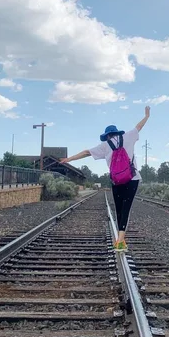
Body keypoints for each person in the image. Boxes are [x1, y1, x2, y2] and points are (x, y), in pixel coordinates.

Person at [60, 106, 150, 252]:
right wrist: (147, 116)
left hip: (117, 181)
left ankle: (120, 241)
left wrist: (69, 159)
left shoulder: (104, 146)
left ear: (107, 136)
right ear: (116, 133)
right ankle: (120, 241)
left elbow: (86, 152)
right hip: (132, 178)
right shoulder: (128, 136)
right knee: (126, 208)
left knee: (119, 209)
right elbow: (138, 126)